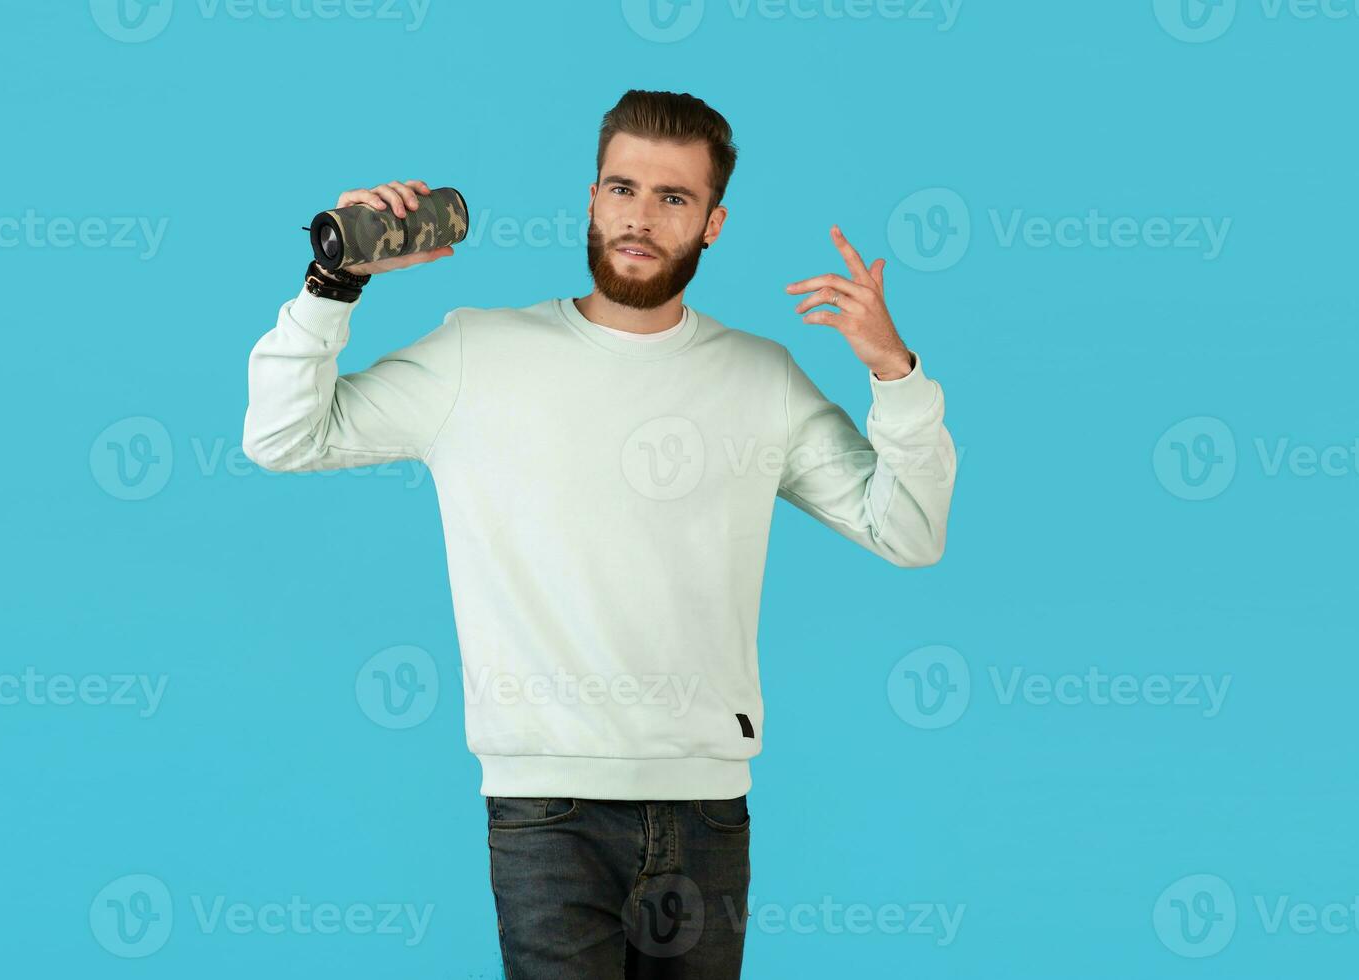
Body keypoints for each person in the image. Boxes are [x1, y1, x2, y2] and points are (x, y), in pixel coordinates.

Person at [242, 89, 958, 980]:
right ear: (590, 198)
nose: (641, 218)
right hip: (546, 811)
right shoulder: (478, 354)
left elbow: (910, 530)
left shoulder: (759, 377)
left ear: (713, 223)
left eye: (673, 198)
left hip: (706, 810)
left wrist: (896, 374)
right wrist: (334, 284)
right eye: (623, 189)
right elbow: (282, 437)